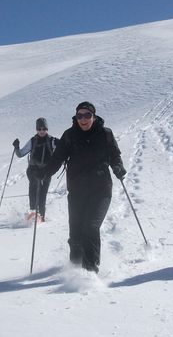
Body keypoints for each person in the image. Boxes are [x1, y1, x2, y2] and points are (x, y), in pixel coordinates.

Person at [38, 102, 126, 273]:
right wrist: (44, 172)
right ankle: (75, 269)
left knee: (90, 227)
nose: (83, 119)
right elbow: (57, 158)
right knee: (76, 233)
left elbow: (115, 155)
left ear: (94, 116)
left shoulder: (105, 134)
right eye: (80, 116)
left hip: (101, 190)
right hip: (77, 191)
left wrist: (118, 167)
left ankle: (90, 271)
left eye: (87, 115)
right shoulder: (70, 135)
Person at [13, 117, 58, 222]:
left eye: (44, 129)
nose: (41, 131)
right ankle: (33, 213)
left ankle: (41, 217)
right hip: (33, 169)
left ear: (47, 129)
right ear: (36, 129)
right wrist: (16, 147)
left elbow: (61, 150)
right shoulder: (33, 141)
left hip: (47, 171)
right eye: (39, 129)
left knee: (43, 193)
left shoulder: (52, 140)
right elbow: (20, 154)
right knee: (34, 188)